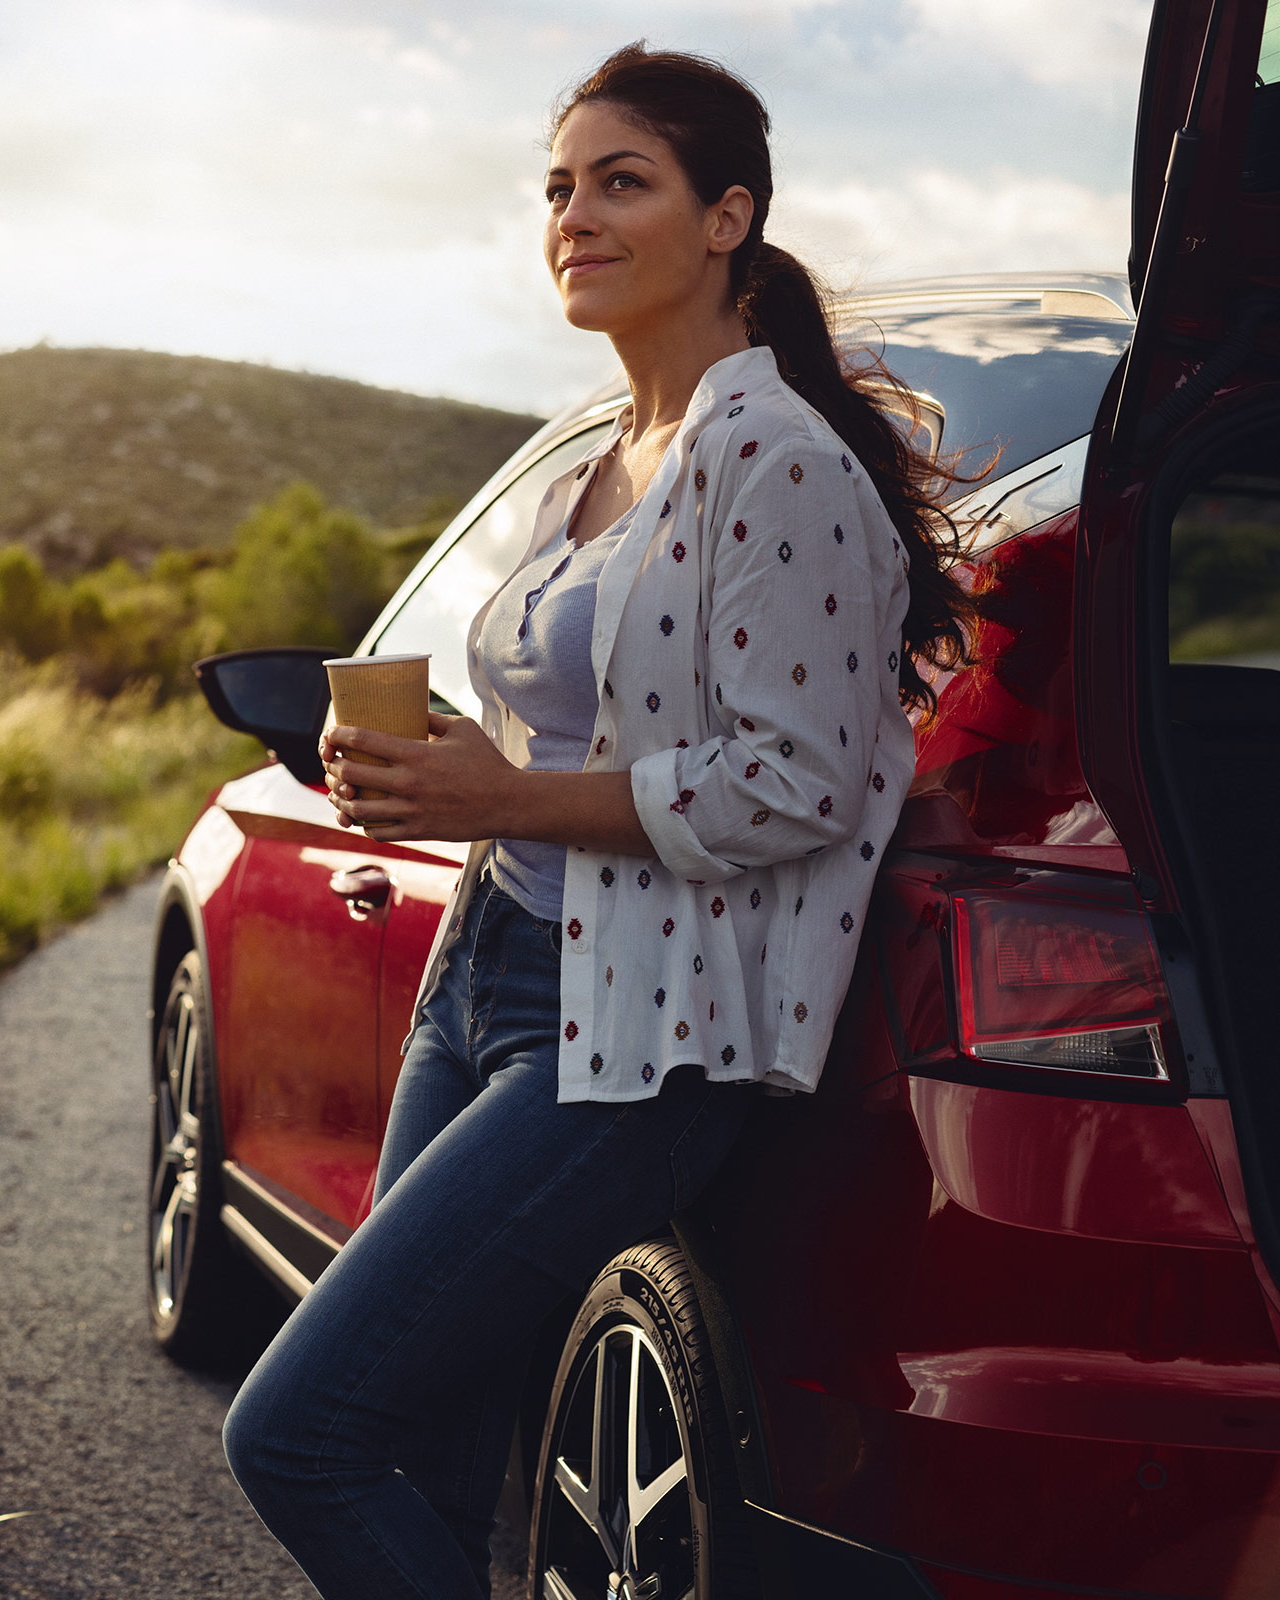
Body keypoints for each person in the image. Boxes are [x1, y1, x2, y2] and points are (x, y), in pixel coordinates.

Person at [217, 43, 974, 1599]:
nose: (574, 214)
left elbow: (802, 779)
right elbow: (609, 721)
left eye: (622, 181)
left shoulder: (781, 462)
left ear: (727, 219)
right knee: (426, 1458)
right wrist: (453, 765)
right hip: (489, 965)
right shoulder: (610, 460)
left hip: (638, 1032)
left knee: (300, 1435)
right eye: (559, 187)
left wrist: (504, 793)